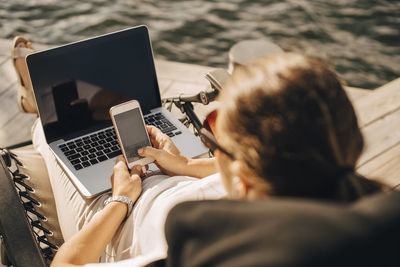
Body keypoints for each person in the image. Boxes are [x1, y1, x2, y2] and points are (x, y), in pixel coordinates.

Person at [12, 37, 386, 267]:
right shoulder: (359, 209)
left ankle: (32, 97)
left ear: (244, 177)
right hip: (169, 177)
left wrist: (121, 200)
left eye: (215, 141)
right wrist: (187, 164)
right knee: (120, 108)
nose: (212, 146)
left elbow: (69, 264)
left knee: (51, 130)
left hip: (119, 214)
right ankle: (37, 82)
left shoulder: (194, 249)